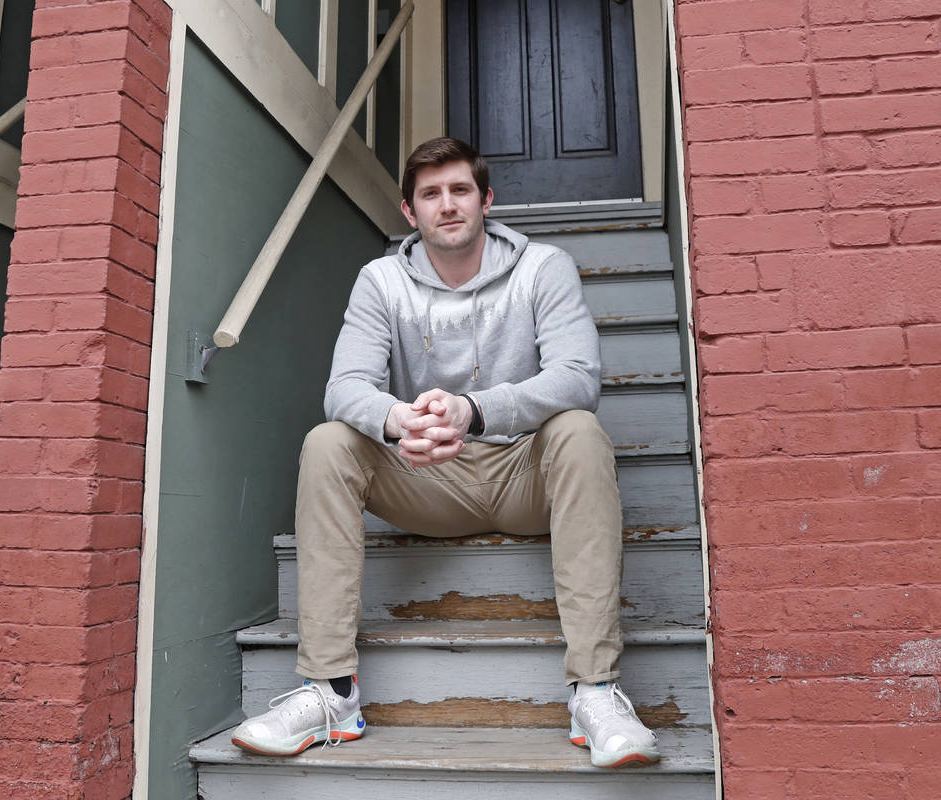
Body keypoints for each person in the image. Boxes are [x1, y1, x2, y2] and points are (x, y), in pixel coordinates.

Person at [230, 137, 659, 769]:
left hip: (524, 475)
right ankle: (330, 692)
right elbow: (343, 388)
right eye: (430, 194)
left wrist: (473, 409)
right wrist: (401, 420)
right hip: (427, 480)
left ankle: (595, 691)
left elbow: (577, 376)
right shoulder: (380, 280)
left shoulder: (544, 267)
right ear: (409, 211)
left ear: (487, 200)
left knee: (579, 432)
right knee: (328, 443)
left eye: (460, 190)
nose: (447, 205)